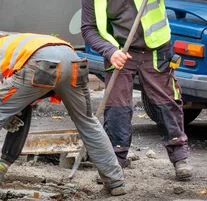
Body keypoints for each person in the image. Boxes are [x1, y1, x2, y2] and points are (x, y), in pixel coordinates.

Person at [0, 33, 126, 201]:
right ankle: (115, 181)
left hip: (40, 60)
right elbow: (23, 109)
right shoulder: (12, 55)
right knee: (87, 121)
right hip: (72, 59)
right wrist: (2, 166)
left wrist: (2, 115)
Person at [81, 0, 193, 181]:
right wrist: (109, 51)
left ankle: (180, 157)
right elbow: (88, 29)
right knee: (117, 106)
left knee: (165, 103)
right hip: (119, 51)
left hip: (155, 49)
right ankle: (114, 163)